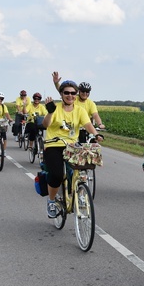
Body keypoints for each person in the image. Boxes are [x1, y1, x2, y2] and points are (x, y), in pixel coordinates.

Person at [41, 79, 103, 218]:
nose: (70, 95)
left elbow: (87, 125)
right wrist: (50, 112)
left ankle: (80, 192)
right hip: (54, 145)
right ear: (61, 94)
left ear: (76, 94)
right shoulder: (55, 108)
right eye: (66, 93)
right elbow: (45, 125)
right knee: (56, 175)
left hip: (72, 146)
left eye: (73, 93)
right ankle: (51, 201)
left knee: (82, 169)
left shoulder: (80, 110)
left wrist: (96, 134)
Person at [51, 73, 104, 142]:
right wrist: (56, 83)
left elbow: (95, 114)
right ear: (79, 91)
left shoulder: (91, 103)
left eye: (87, 91)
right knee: (78, 146)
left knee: (93, 145)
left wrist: (100, 124)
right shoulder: (73, 98)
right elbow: (63, 91)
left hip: (87, 127)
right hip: (74, 127)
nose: (85, 93)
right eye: (83, 91)